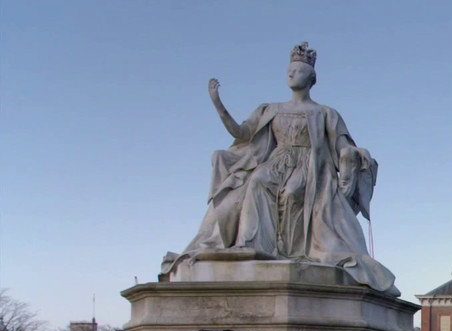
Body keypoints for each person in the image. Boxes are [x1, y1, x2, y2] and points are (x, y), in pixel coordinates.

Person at [163, 42, 398, 296]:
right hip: (277, 161)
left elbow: (342, 145)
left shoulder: (326, 113)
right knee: (257, 181)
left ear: (311, 78)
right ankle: (251, 244)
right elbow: (242, 134)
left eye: (298, 70)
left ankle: (294, 251)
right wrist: (218, 104)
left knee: (294, 192)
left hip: (310, 168)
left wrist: (351, 154)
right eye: (289, 69)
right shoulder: (271, 109)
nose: (291, 73)